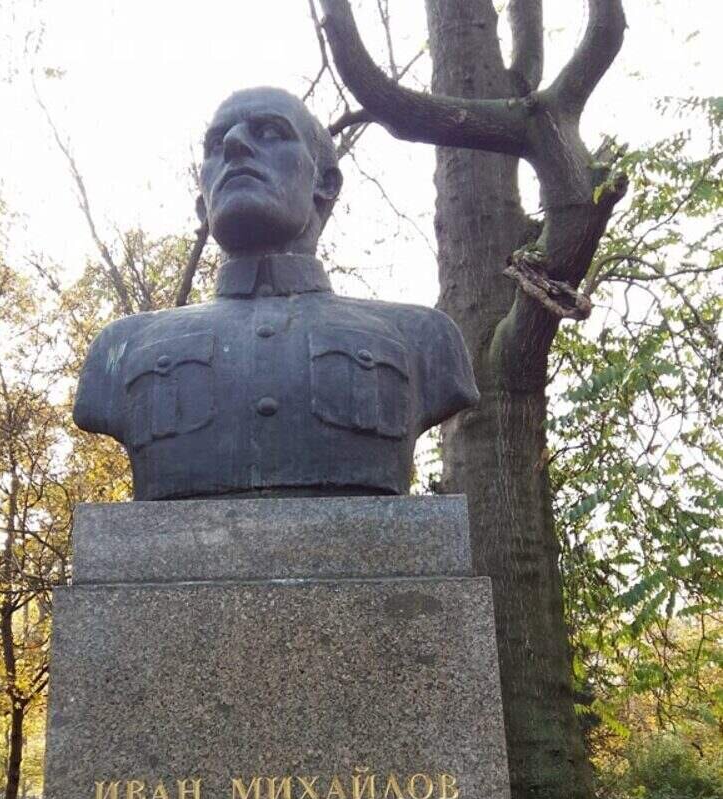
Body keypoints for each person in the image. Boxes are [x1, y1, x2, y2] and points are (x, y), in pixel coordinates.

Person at [73, 86, 479, 500]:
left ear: (325, 183)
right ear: (202, 205)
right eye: (215, 145)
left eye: (269, 132)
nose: (234, 144)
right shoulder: (122, 347)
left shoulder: (422, 337)